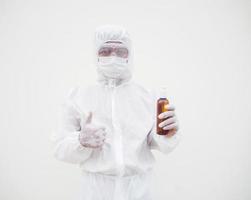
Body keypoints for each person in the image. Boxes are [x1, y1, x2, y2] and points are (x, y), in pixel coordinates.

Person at [50, 25, 181, 200]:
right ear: (95, 55)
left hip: (140, 189)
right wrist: (81, 141)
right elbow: (60, 148)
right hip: (96, 190)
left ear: (130, 55)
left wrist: (168, 134)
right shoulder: (79, 96)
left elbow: (160, 144)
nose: (113, 57)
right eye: (105, 51)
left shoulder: (148, 97)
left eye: (121, 51)